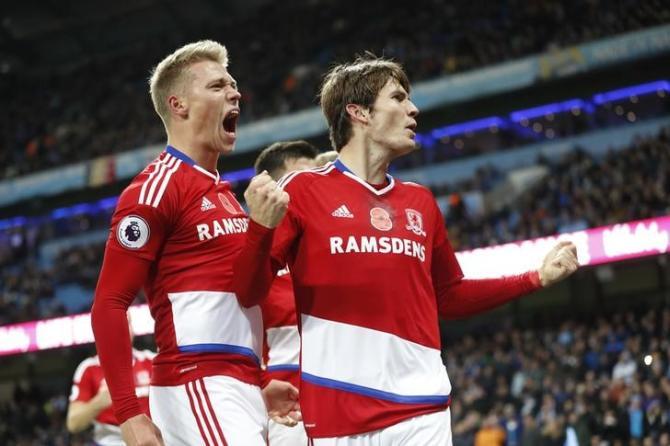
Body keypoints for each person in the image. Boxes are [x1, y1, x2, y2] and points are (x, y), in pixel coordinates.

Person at [235, 55, 579, 444]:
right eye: (398, 98)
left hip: (421, 407)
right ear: (358, 112)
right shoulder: (302, 191)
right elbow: (248, 292)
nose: (413, 109)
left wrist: (534, 277)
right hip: (337, 414)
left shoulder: (421, 202)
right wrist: (260, 229)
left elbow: (448, 295)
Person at [91, 40, 295, 446]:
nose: (235, 92)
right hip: (197, 380)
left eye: (233, 84)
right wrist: (130, 415)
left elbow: (238, 302)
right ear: (179, 104)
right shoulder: (155, 189)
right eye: (218, 86)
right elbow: (109, 303)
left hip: (235, 385)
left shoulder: (225, 196)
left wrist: (256, 382)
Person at [254, 140, 319, 445]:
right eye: (301, 179)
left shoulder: (332, 250)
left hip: (350, 403)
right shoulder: (252, 260)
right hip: (288, 418)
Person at [67, 314, 154, 445]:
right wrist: (99, 402)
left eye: (127, 323)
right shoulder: (89, 369)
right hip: (109, 440)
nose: (123, 329)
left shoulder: (152, 361)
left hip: (151, 438)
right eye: (115, 325)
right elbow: (73, 424)